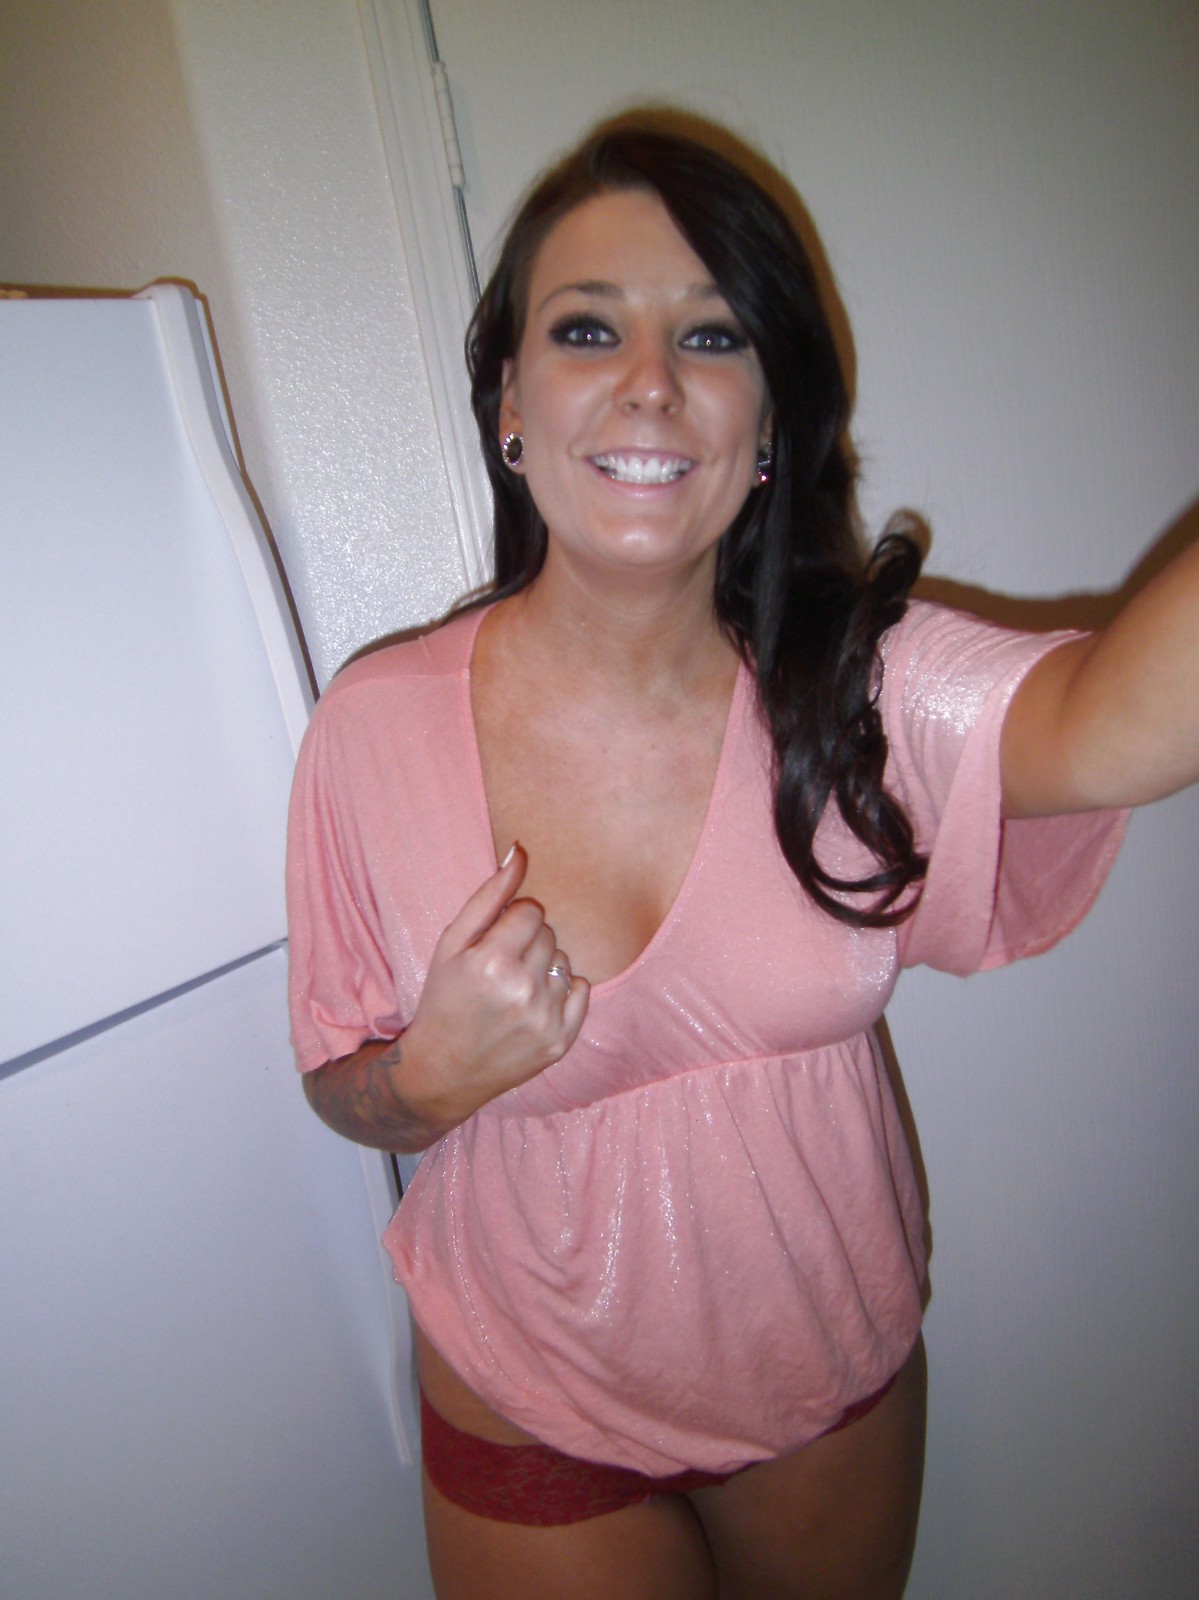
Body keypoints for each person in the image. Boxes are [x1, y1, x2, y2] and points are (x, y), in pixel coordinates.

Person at [285, 116, 1198, 1600]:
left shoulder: (860, 690)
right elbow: (336, 1075)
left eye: (711, 336)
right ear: (509, 397)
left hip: (824, 1383)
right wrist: (428, 1083)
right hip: (526, 1397)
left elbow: (1114, 725)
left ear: (769, 419)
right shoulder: (370, 729)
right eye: (588, 328)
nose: (650, 381)